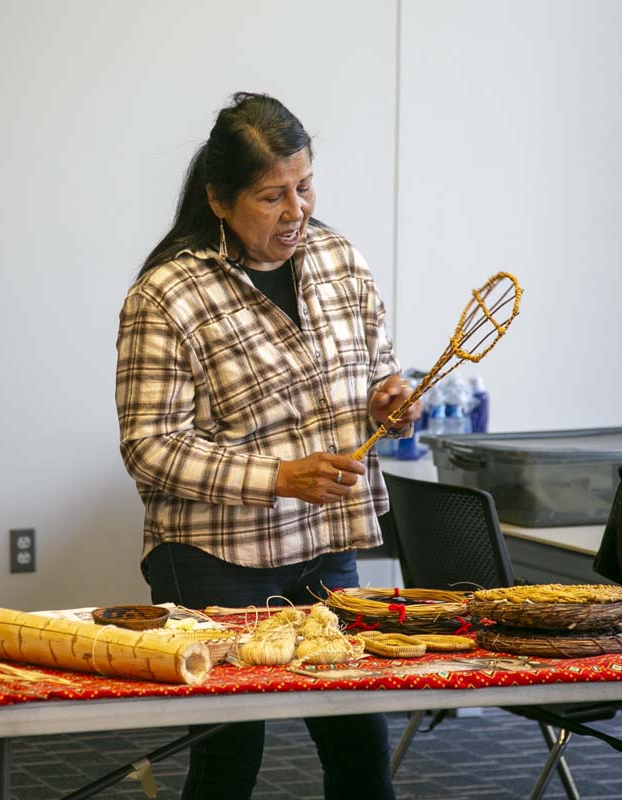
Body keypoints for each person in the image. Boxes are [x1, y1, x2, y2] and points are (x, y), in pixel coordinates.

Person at [114, 92, 422, 800]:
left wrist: (391, 399)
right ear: (219, 201)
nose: (296, 212)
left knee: (359, 744)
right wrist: (278, 477)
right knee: (229, 759)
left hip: (325, 541)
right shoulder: (167, 295)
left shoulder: (341, 259)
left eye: (304, 186)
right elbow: (150, 449)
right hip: (214, 558)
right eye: (270, 196)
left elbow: (377, 368)